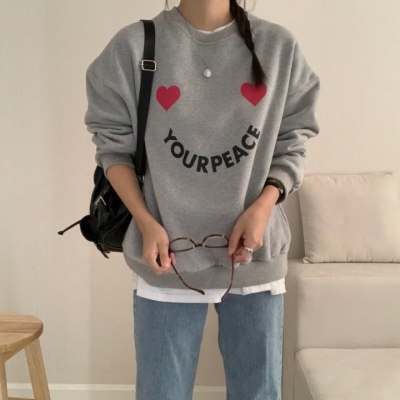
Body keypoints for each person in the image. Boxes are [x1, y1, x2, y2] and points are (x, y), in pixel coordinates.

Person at [84, 0, 321, 398]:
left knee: (257, 393)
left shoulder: (278, 47)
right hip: (165, 259)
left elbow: (293, 142)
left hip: (253, 258)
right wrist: (145, 221)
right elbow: (113, 148)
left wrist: (264, 207)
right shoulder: (133, 46)